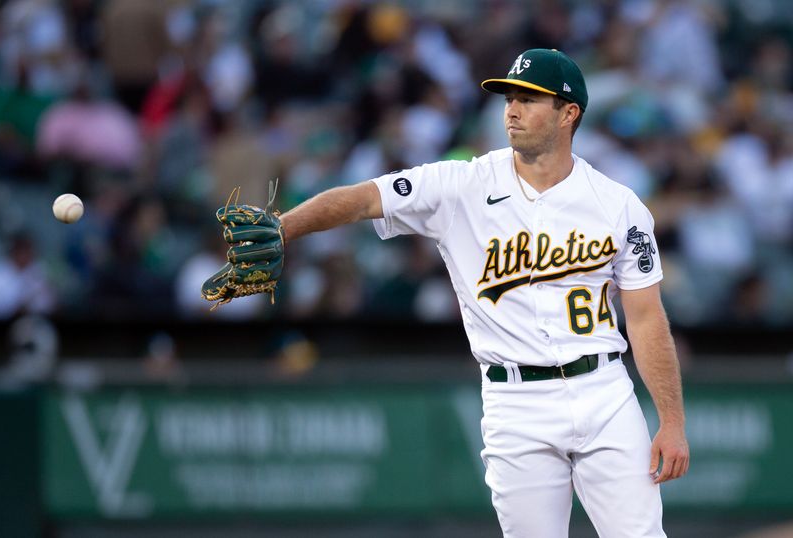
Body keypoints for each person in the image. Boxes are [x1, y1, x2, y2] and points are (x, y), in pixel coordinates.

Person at [271, 48, 690, 537]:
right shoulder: (462, 184)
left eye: (529, 99)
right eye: (509, 98)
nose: (511, 110)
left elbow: (645, 318)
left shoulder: (619, 205)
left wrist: (672, 420)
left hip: (604, 392)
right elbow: (365, 198)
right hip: (515, 402)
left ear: (569, 112)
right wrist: (283, 228)